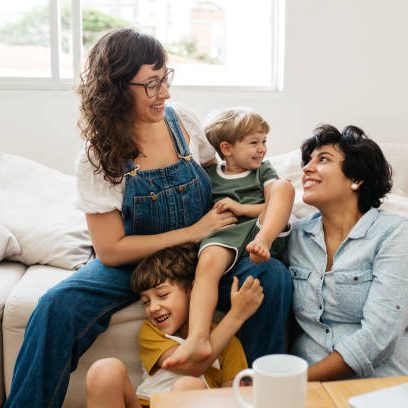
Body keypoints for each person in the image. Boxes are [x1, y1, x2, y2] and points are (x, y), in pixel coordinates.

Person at [4, 28, 292, 408]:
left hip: (204, 252)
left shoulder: (183, 122)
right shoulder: (98, 157)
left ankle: (264, 399)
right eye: (152, 84)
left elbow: (219, 178)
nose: (165, 93)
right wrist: (191, 231)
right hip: (136, 262)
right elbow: (110, 250)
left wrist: (249, 211)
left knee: (271, 277)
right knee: (56, 306)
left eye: (165, 78)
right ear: (117, 88)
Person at [164, 108, 294, 368]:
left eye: (264, 141)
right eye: (254, 142)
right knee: (208, 263)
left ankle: (265, 242)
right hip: (225, 233)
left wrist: (241, 208)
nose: (262, 149)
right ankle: (198, 338)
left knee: (284, 187)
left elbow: (274, 204)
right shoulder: (210, 176)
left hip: (259, 229)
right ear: (226, 148)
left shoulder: (263, 171)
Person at [287, 124, 408, 381]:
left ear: (356, 178)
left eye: (323, 159)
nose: (307, 169)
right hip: (308, 387)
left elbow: (381, 334)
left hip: (380, 383)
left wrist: (294, 381)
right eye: (308, 161)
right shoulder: (295, 236)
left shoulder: (395, 233)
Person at [86, 244, 263, 408]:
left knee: (188, 385)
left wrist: (237, 316)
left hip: (195, 402)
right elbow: (190, 366)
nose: (153, 308)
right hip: (147, 403)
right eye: (146, 302)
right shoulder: (152, 332)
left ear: (193, 290)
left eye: (162, 295)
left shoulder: (229, 344)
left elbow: (233, 398)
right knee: (105, 370)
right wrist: (236, 316)